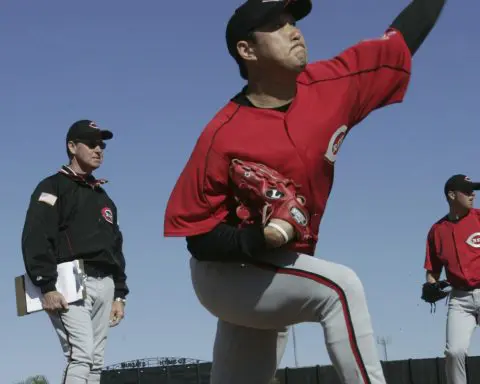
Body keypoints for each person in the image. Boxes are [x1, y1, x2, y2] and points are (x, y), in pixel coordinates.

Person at [163, 0, 446, 383]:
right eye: (277, 26)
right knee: (339, 290)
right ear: (247, 51)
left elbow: (399, 43)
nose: (294, 31)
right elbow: (197, 237)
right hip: (225, 273)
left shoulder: (332, 86)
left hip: (277, 271)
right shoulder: (222, 134)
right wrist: (258, 237)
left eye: (293, 21)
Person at [21, 119, 129, 384]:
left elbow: (115, 248)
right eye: (91, 144)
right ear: (72, 146)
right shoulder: (52, 186)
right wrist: (46, 285)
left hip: (105, 284)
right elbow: (36, 236)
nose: (99, 149)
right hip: (69, 282)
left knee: (96, 361)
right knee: (80, 355)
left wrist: (120, 295)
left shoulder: (104, 198)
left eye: (102, 145)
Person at [424, 174, 480, 384]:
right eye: (467, 191)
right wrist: (431, 285)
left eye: (473, 190)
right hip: (460, 300)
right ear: (452, 195)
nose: (473, 194)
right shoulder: (437, 231)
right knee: (454, 352)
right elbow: (433, 271)